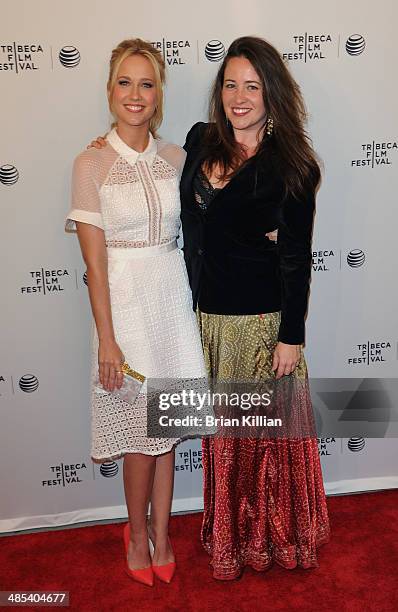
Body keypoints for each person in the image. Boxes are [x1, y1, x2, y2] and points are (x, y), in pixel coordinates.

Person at [180, 36, 330, 580]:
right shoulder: (199, 141)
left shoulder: (292, 165)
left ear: (273, 94)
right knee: (226, 439)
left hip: (261, 324)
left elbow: (296, 257)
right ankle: (230, 535)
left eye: (253, 86)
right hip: (206, 319)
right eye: (230, 84)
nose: (239, 97)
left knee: (263, 444)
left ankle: (271, 542)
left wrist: (292, 336)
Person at [66, 38, 207, 586]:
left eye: (146, 83)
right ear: (109, 89)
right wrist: (107, 339)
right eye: (125, 82)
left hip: (171, 301)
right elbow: (94, 266)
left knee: (165, 432)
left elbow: (217, 206)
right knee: (137, 439)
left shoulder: (176, 158)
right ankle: (136, 531)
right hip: (122, 307)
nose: (135, 94)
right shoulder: (90, 163)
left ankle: (164, 534)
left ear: (159, 95)